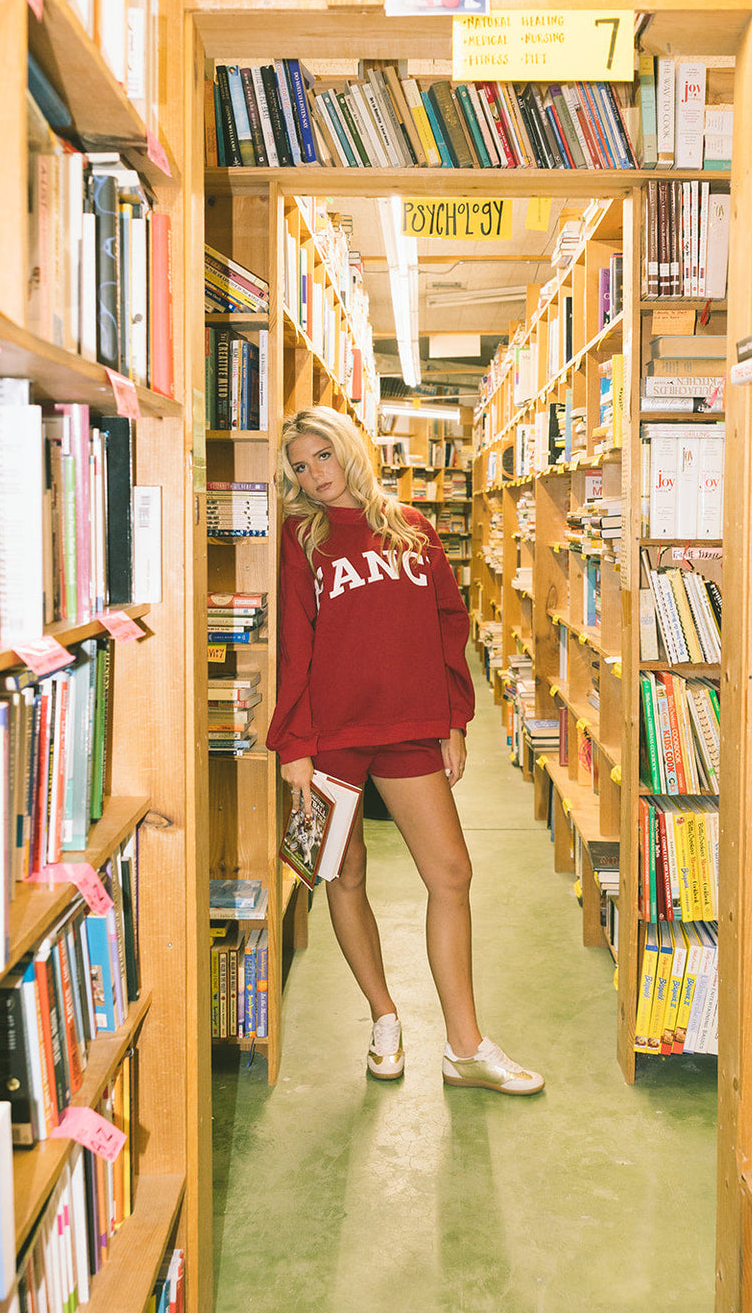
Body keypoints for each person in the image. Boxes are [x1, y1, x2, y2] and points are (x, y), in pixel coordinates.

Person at [266, 406, 543, 1095]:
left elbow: (448, 623)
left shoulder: (412, 528)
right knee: (345, 873)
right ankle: (384, 1016)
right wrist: (294, 743)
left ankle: (465, 1046)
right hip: (330, 735)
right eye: (299, 466)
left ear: (349, 450)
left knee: (451, 873)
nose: (314, 474)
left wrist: (453, 716)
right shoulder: (301, 537)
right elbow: (294, 645)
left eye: (322, 456)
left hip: (408, 728)